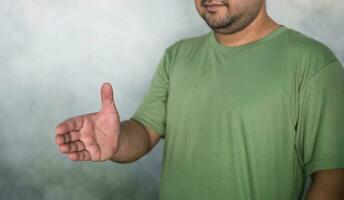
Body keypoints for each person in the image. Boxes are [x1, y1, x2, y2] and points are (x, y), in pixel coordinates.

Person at [55, 0, 344, 199]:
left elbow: (333, 181)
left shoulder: (312, 62)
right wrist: (116, 141)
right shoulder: (177, 56)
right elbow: (144, 131)